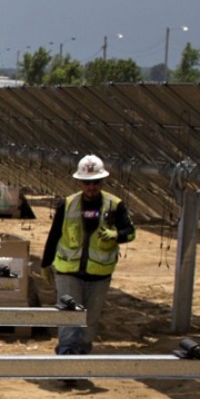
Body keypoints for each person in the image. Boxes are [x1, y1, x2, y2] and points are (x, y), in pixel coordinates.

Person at [40, 153, 136, 358]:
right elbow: (54, 234)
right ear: (79, 182)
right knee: (69, 317)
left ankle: (81, 357)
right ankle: (67, 359)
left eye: (95, 182)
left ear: (102, 182)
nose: (91, 187)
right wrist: (46, 263)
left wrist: (116, 235)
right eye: (87, 183)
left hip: (99, 275)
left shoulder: (114, 205)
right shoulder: (67, 204)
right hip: (69, 272)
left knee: (90, 321)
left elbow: (130, 232)